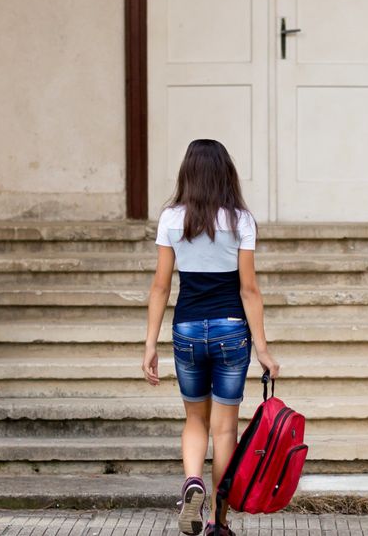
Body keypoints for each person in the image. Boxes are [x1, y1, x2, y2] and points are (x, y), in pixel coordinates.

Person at [142, 139, 280, 536]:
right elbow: (249, 289)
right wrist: (263, 349)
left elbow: (160, 286)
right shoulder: (241, 221)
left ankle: (192, 483)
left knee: (194, 420)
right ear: (226, 174)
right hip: (231, 331)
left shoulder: (171, 218)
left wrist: (150, 344)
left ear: (187, 174)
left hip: (186, 329)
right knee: (224, 430)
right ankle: (218, 522)